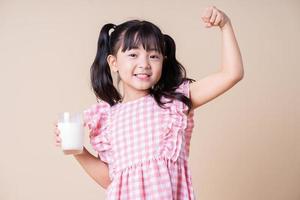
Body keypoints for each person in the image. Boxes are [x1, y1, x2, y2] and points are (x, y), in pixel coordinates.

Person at [54, 6, 244, 200]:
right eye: (133, 55)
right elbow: (110, 180)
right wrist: (78, 150)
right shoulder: (107, 118)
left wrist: (225, 25)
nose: (144, 64)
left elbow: (232, 74)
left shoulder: (174, 102)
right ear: (113, 63)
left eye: (153, 56)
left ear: (163, 61)